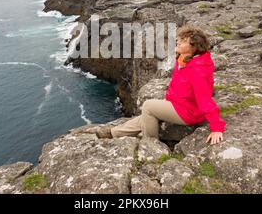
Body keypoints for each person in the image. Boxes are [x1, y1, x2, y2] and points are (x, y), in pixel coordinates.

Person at [96, 25, 226, 145]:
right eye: (179, 39)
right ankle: (114, 133)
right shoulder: (185, 59)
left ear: (194, 47)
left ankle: (150, 144)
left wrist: (216, 127)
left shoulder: (196, 70)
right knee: (147, 114)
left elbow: (204, 99)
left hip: (188, 112)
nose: (178, 42)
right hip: (180, 104)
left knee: (148, 106)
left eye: (183, 41)